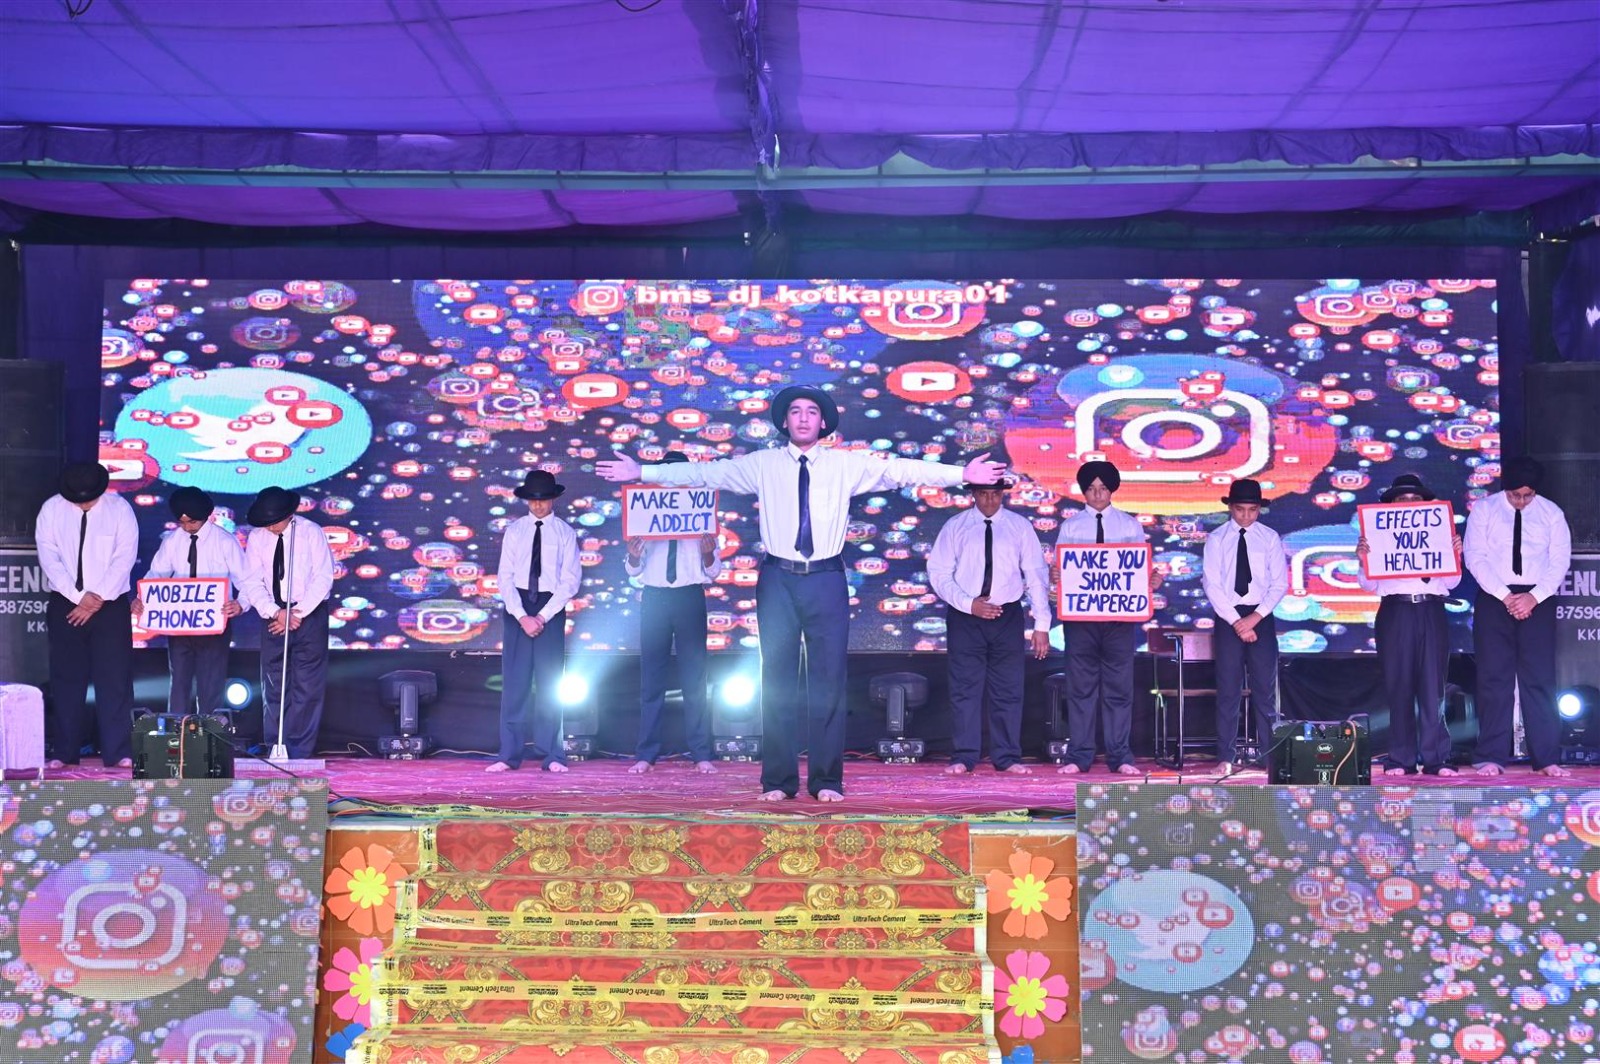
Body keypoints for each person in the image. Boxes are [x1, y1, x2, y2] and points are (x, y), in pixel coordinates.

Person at [598, 385, 1005, 801]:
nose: (804, 417)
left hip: (826, 577)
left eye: (812, 411)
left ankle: (827, 781)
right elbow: (706, 472)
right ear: (785, 421)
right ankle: (778, 781)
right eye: (795, 411)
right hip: (778, 579)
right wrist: (642, 473)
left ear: (823, 422)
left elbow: (902, 470)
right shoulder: (762, 464)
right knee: (776, 680)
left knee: (829, 681)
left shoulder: (846, 464)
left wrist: (962, 475)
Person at [926, 479, 1052, 775]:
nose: (989, 501)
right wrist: (969, 604)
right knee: (964, 687)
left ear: (1003, 495)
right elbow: (939, 573)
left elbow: (1035, 573)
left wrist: (1042, 623)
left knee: (1008, 688)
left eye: (995, 494)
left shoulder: (1019, 526)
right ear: (973, 494)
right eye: (983, 494)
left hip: (1007, 615)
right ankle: (963, 755)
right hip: (965, 616)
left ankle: (1007, 756)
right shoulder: (956, 526)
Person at [1464, 456, 1573, 778]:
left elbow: (1559, 561)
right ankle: (1491, 756)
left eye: (1528, 495)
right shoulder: (1484, 510)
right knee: (1493, 678)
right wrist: (1505, 595)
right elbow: (1475, 556)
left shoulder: (1551, 513)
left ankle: (1546, 757)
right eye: (1515, 495)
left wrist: (1533, 597)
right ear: (1506, 489)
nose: (1521, 501)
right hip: (1494, 597)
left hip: (1538, 599)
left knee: (1539, 678)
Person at [1055, 460, 1162, 776]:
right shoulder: (1071, 527)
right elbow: (1061, 571)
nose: (1098, 494)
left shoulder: (1129, 525)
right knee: (1080, 689)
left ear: (1112, 489)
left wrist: (1151, 580)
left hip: (1120, 620)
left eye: (1103, 488)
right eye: (1091, 489)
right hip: (1080, 620)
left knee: (1119, 689)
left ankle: (1121, 756)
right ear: (1083, 492)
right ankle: (1079, 756)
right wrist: (1056, 575)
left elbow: (1138, 570)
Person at [1356, 473, 1462, 776]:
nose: (1409, 504)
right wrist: (1362, 559)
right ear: (1391, 504)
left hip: (1431, 609)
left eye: (1415, 499)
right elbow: (1369, 586)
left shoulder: (1440, 533)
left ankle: (1436, 758)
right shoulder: (1375, 535)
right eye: (1402, 499)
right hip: (1395, 610)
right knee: (1398, 685)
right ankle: (1401, 758)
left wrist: (1455, 553)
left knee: (1433, 687)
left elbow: (1452, 583)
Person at [35, 462, 137, 769]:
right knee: (66, 678)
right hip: (66, 603)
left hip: (111, 604)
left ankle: (118, 751)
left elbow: (124, 557)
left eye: (89, 499)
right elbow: (49, 558)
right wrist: (79, 597)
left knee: (115, 679)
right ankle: (64, 752)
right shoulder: (51, 509)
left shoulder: (120, 509)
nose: (83, 503)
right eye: (77, 499)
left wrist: (97, 598)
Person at [625, 452, 722, 775]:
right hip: (654, 597)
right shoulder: (645, 510)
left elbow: (714, 571)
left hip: (689, 596)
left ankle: (701, 752)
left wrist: (708, 554)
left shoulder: (699, 509)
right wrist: (633, 555)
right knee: (652, 678)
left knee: (695, 677)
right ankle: (646, 753)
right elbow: (633, 570)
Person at [489, 469, 582, 773]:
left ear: (553, 499)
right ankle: (508, 755)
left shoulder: (565, 533)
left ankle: (553, 754)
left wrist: (542, 616)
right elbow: (504, 577)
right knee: (514, 683)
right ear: (526, 500)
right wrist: (521, 616)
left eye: (543, 499)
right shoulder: (515, 531)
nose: (538, 505)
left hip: (549, 609)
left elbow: (570, 581)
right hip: (518, 606)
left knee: (550, 683)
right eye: (533, 499)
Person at [133, 486, 249, 716]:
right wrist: (140, 598)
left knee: (211, 683)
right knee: (178, 681)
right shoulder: (172, 541)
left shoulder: (225, 542)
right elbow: (156, 574)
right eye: (182, 523)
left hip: (214, 625)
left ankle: (209, 732)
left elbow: (246, 579)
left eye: (192, 522)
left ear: (205, 517)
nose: (187, 527)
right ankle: (176, 730)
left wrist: (241, 604)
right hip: (180, 626)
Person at [1200, 479, 1286, 774]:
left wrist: (1255, 617)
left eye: (1252, 510)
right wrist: (1237, 621)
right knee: (1228, 689)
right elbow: (1211, 584)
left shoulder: (1269, 538)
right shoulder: (1217, 539)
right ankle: (1225, 757)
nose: (1246, 516)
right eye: (1240, 510)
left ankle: (1269, 756)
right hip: (1228, 617)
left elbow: (1279, 584)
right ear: (1230, 508)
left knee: (1265, 689)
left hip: (1260, 616)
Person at [242, 486, 334, 760]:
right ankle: (276, 745)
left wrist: (297, 613)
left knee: (307, 684)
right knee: (274, 683)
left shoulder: (310, 532)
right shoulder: (257, 537)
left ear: (289, 514)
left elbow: (323, 577)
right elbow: (252, 581)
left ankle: (299, 749)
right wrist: (275, 612)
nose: (271, 527)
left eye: (275, 522)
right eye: (266, 522)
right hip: (274, 616)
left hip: (308, 613)